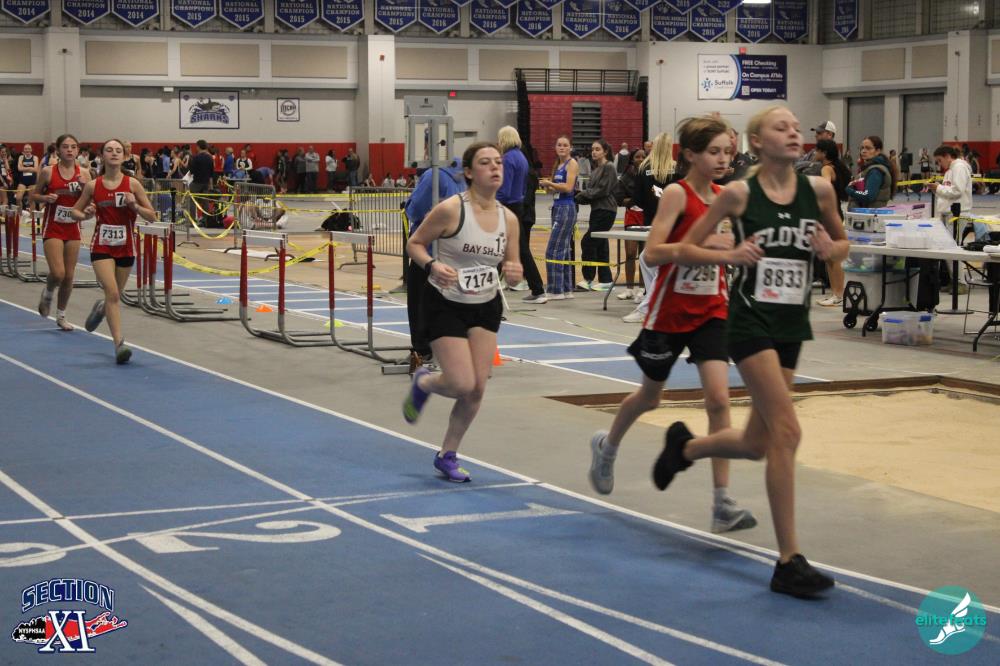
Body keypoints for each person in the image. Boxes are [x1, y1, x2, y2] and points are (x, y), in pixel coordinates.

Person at [656, 106, 848, 598]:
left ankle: (686, 448)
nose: (794, 132)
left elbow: (843, 244)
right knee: (788, 431)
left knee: (758, 442)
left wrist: (831, 250)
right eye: (781, 127)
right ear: (757, 141)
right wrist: (730, 253)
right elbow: (685, 249)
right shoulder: (739, 194)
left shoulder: (819, 191)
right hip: (749, 322)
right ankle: (788, 561)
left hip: (791, 323)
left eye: (797, 127)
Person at [589, 115, 758, 534]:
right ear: (692, 155)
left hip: (712, 309)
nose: (723, 159)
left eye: (728, 152)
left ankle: (722, 502)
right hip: (669, 312)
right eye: (714, 152)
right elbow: (653, 253)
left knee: (719, 401)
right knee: (650, 397)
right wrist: (706, 245)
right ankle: (608, 446)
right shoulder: (678, 195)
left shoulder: (726, 197)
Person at [402, 142, 523, 483]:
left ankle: (447, 454)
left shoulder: (509, 219)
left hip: (485, 305)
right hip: (445, 303)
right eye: (486, 163)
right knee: (460, 382)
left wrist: (514, 271)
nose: (495, 168)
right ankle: (425, 382)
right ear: (469, 172)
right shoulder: (451, 210)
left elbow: (512, 265)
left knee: (477, 389)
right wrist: (431, 265)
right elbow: (414, 244)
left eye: (498, 162)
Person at [71, 139, 158, 364]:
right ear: (102, 155)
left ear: (124, 156)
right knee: (113, 294)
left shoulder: (132, 184)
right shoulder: (93, 186)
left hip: (126, 247)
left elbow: (152, 216)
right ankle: (119, 344)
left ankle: (102, 308)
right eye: (109, 150)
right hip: (101, 246)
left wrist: (134, 206)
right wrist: (86, 214)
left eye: (118, 150)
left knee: (114, 295)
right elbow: (74, 212)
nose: (114, 153)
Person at [403, 157, 467, 371]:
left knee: (419, 302)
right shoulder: (465, 175)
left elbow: (414, 210)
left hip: (429, 251)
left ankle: (422, 350)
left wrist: (410, 203)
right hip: (457, 250)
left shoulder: (433, 176)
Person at [31, 134, 91, 331]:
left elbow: (91, 201)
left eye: (73, 147)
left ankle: (61, 316)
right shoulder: (48, 171)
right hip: (53, 227)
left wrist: (85, 189)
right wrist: (45, 198)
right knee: (58, 273)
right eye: (65, 146)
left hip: (73, 227)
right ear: (58, 150)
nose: (69, 150)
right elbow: (34, 195)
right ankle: (48, 292)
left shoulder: (85, 173)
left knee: (69, 276)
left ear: (78, 150)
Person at [624, 133, 678, 324]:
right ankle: (654, 301)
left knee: (653, 261)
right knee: (647, 259)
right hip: (673, 221)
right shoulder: (677, 169)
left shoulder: (644, 169)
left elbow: (637, 200)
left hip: (654, 222)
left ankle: (649, 306)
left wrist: (638, 203)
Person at [495, 126, 539, 301]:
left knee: (514, 248)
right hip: (518, 205)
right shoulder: (521, 157)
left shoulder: (507, 159)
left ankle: (537, 289)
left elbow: (504, 190)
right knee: (515, 248)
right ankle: (536, 288)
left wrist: (490, 201)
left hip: (507, 206)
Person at [574, 139, 618, 291]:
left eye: (598, 149)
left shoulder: (609, 167)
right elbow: (591, 193)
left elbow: (601, 190)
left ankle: (588, 279)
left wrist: (580, 196)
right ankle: (606, 280)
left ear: (605, 151)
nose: (594, 152)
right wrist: (578, 195)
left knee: (588, 242)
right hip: (597, 210)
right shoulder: (595, 170)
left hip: (606, 210)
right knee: (601, 245)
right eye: (593, 149)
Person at [538, 136, 578, 300]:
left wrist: (550, 184)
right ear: (555, 147)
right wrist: (547, 185)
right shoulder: (557, 165)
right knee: (564, 250)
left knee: (553, 250)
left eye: (565, 145)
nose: (562, 147)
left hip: (566, 208)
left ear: (570, 148)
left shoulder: (572, 163)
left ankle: (555, 289)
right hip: (557, 206)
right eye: (559, 145)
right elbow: (554, 190)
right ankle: (566, 289)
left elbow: (568, 187)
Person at [813, 139, 851, 307]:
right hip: (836, 213)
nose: (815, 153)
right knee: (829, 256)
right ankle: (836, 293)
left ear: (824, 153)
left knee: (832, 257)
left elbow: (825, 187)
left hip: (829, 215)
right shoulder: (838, 167)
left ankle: (838, 294)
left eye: (817, 150)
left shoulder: (826, 168)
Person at [615, 148, 645, 308]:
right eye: (637, 157)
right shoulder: (625, 178)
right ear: (632, 159)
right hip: (631, 218)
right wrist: (634, 200)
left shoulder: (650, 175)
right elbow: (619, 199)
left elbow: (658, 194)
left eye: (643, 157)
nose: (640, 159)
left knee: (644, 256)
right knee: (630, 254)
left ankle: (642, 289)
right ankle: (629, 289)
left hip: (647, 218)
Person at [929, 144, 978, 241]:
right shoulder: (950, 170)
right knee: (947, 244)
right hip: (948, 214)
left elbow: (957, 191)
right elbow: (948, 193)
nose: (939, 164)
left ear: (947, 156)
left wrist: (939, 188)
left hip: (957, 215)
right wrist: (936, 190)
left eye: (939, 160)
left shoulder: (959, 168)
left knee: (954, 245)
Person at [846, 136, 893, 210]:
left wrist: (850, 190)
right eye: (862, 148)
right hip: (866, 212)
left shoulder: (875, 171)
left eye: (868, 148)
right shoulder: (869, 168)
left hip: (870, 213)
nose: (863, 151)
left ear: (878, 151)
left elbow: (868, 196)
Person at [15, 144, 39, 217]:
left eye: (29, 149)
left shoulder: (35, 157)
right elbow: (19, 168)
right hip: (23, 181)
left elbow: (36, 169)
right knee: (18, 198)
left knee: (31, 200)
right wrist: (30, 168)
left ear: (31, 150)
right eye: (25, 149)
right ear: (23, 150)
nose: (27, 150)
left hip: (32, 181)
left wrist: (24, 168)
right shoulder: (21, 157)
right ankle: (20, 215)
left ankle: (31, 217)